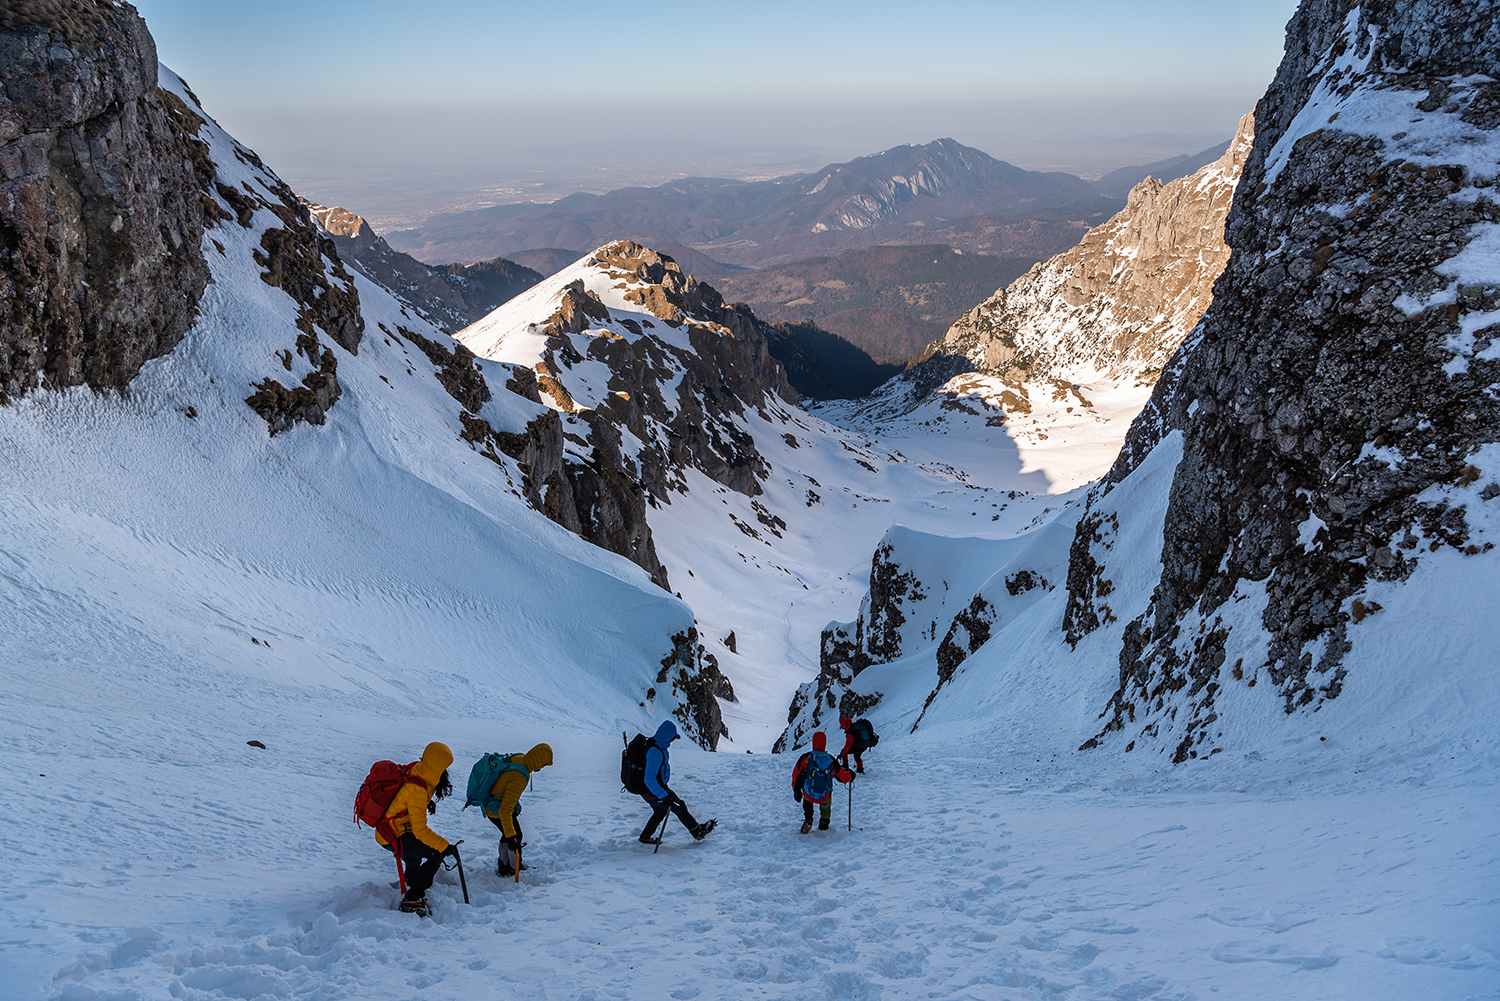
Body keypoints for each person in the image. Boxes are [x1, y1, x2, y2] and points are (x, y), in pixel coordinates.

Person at [376, 741, 457, 915]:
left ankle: (413, 879)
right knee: (436, 852)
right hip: (392, 835)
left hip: (394, 829)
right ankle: (413, 897)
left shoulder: (417, 770)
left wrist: (427, 803)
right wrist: (445, 846)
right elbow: (420, 831)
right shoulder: (418, 790)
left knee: (415, 852)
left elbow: (406, 801)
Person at [482, 743, 554, 877]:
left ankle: (504, 865)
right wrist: (511, 837)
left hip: (493, 803)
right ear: (538, 761)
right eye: (543, 764)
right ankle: (512, 868)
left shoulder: (520, 758)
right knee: (514, 836)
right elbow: (505, 810)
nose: (542, 768)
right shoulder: (520, 776)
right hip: (495, 809)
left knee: (509, 834)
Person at [639, 720, 715, 844]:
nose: (673, 741)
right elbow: (649, 778)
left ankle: (645, 837)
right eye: (673, 738)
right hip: (655, 791)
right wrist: (664, 795)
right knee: (680, 807)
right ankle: (698, 832)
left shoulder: (656, 745)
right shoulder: (655, 752)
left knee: (660, 811)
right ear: (667, 736)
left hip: (650, 791)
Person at [793, 731, 854, 833]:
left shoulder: (806, 758)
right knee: (826, 806)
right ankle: (824, 824)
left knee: (807, 800)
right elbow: (842, 776)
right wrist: (851, 775)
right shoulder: (829, 759)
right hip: (824, 795)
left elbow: (796, 774)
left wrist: (796, 790)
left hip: (809, 794)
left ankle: (808, 819)